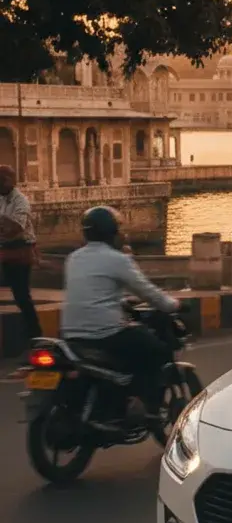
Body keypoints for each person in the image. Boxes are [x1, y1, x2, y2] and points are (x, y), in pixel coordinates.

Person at [61, 207, 180, 425]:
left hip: (71, 334)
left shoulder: (73, 259)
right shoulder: (117, 260)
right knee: (157, 350)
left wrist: (120, 302)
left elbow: (93, 292)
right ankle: (147, 408)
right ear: (111, 233)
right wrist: (172, 304)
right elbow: (147, 292)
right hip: (105, 333)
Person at [0, 164, 41, 342]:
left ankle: (35, 334)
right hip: (6, 250)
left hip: (20, 251)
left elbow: (15, 227)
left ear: (10, 181)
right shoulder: (2, 199)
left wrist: (3, 222)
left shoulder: (20, 201)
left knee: (22, 296)